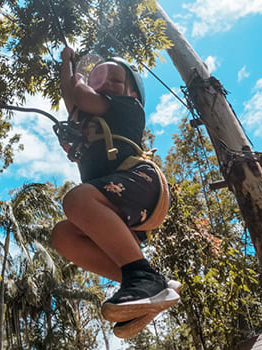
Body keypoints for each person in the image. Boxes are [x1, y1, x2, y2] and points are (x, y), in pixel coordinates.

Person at [51, 47, 181, 339]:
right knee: (63, 235)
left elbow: (80, 95)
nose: (106, 84)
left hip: (143, 184)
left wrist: (83, 72)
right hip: (119, 204)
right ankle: (150, 284)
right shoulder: (88, 122)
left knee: (76, 199)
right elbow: (70, 96)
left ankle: (144, 277)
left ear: (131, 92)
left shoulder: (127, 107)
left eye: (114, 80)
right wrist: (66, 64)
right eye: (100, 78)